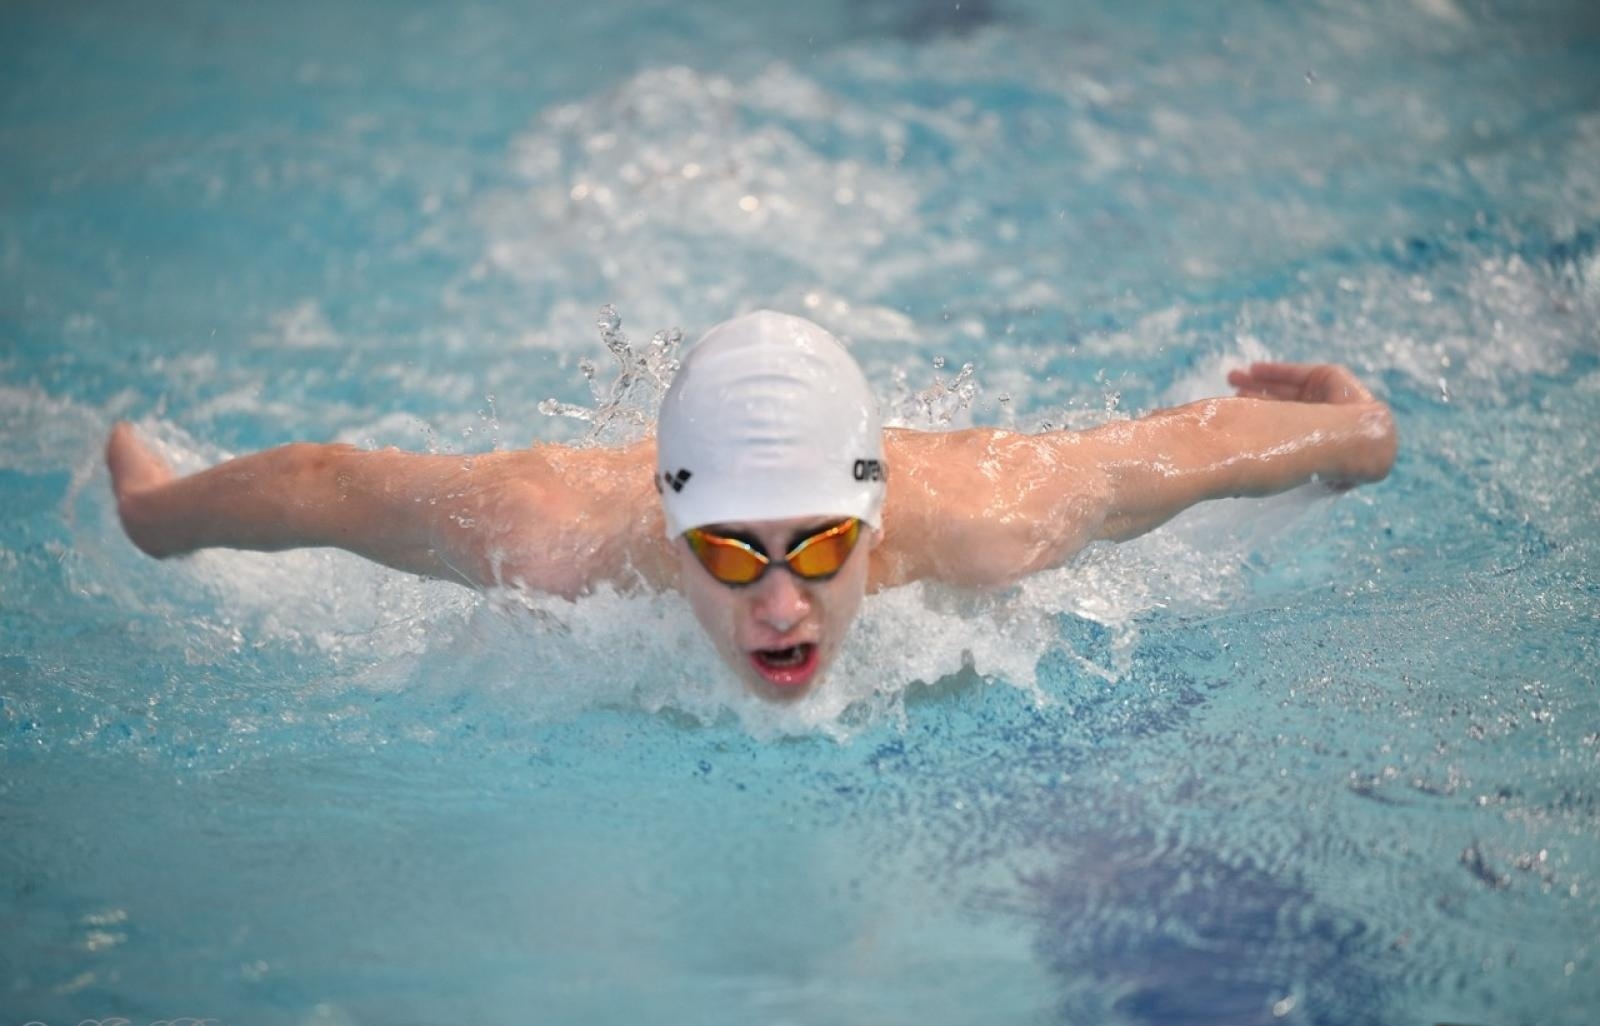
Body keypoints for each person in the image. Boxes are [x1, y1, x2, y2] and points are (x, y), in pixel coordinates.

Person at [106, 310, 1398, 701]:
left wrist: (1357, 429)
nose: (781, 603)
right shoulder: (555, 537)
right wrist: (154, 516)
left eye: (821, 546)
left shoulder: (994, 518)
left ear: (874, 524)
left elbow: (1179, 450)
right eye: (729, 555)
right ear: (669, 542)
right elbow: (337, 488)